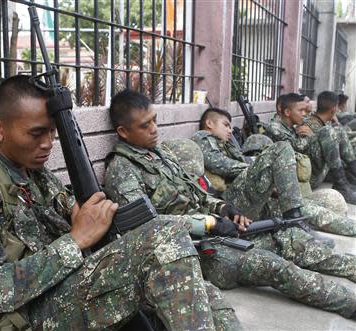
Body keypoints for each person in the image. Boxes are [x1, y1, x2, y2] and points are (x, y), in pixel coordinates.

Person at [0, 75, 220, 331]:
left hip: (62, 292)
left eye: (52, 132)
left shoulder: (36, 175)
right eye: (37, 134)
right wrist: (75, 240)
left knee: (204, 293)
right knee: (163, 240)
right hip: (27, 315)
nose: (48, 143)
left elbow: (80, 215)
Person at [103, 89, 356, 320]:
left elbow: (198, 194)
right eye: (145, 125)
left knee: (291, 240)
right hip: (194, 253)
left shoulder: (162, 155)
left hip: (221, 235)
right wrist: (210, 223)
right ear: (124, 132)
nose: (154, 129)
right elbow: (146, 227)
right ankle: (350, 305)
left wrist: (223, 209)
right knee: (275, 267)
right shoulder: (122, 170)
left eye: (154, 120)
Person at [191, 108, 356, 236]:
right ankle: (294, 222)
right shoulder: (203, 137)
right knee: (281, 148)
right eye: (225, 125)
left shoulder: (226, 145)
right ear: (210, 124)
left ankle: (348, 227)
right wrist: (261, 171)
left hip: (246, 198)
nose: (229, 130)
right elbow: (220, 164)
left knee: (308, 210)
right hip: (229, 205)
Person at [265, 93, 356, 204]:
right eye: (301, 110)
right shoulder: (275, 128)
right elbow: (296, 147)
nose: (305, 114)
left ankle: (344, 181)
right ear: (287, 112)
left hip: (310, 171)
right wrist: (312, 136)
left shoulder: (293, 124)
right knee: (326, 131)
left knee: (338, 131)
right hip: (300, 179)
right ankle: (342, 186)